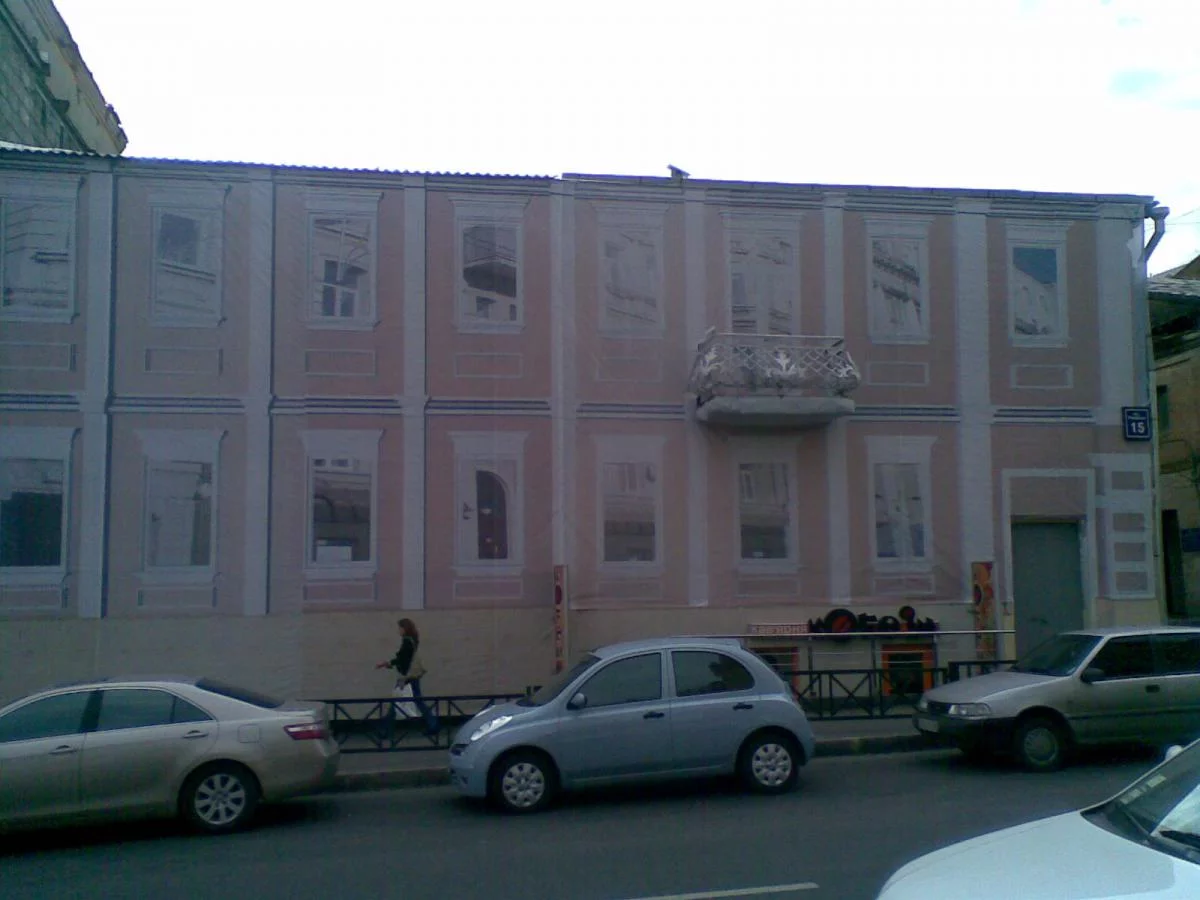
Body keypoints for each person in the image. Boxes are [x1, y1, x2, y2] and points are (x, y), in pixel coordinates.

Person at [376, 618, 439, 738]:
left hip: (406, 677)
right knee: (415, 701)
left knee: (397, 702)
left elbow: (403, 659)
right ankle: (433, 725)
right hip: (411, 676)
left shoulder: (407, 642)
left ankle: (386, 730)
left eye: (400, 628)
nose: (398, 631)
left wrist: (387, 664)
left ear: (405, 628)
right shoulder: (412, 640)